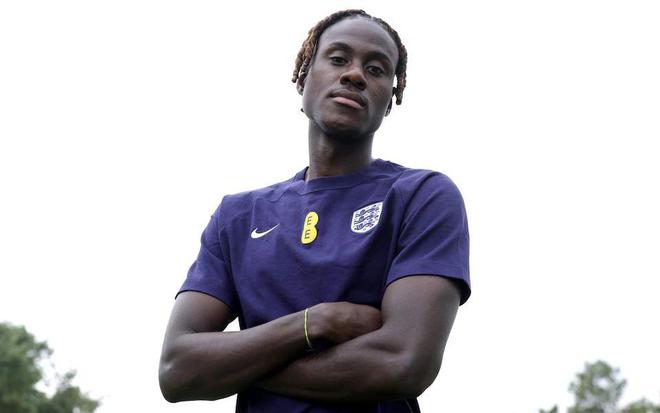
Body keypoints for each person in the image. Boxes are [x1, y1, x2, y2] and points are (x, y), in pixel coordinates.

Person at [159, 9, 471, 413]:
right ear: (303, 76)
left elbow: (403, 361)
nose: (355, 75)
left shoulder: (421, 196)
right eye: (338, 59)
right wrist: (316, 322)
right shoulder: (237, 217)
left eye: (376, 69)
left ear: (390, 101)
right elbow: (177, 369)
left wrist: (240, 367)